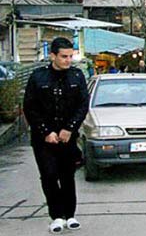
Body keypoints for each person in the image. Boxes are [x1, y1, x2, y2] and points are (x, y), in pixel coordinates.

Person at [23, 37, 89, 233]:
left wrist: (69, 128)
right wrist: (46, 131)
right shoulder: (38, 77)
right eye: (64, 56)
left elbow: (82, 105)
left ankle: (70, 215)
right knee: (49, 175)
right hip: (44, 138)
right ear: (52, 55)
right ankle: (56, 216)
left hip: (67, 137)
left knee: (67, 175)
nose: (68, 60)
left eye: (70, 56)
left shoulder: (77, 76)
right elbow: (30, 107)